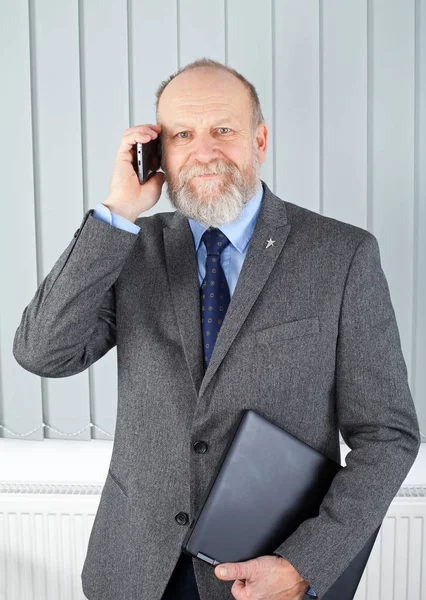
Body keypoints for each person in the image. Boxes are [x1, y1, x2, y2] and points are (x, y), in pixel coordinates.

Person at [13, 58, 421, 600]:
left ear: (260, 139)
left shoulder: (341, 255)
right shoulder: (129, 249)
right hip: (135, 573)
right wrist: (117, 212)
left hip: (266, 572)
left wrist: (305, 563)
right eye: (183, 135)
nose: (204, 151)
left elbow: (387, 435)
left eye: (223, 130)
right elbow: (43, 351)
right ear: (160, 152)